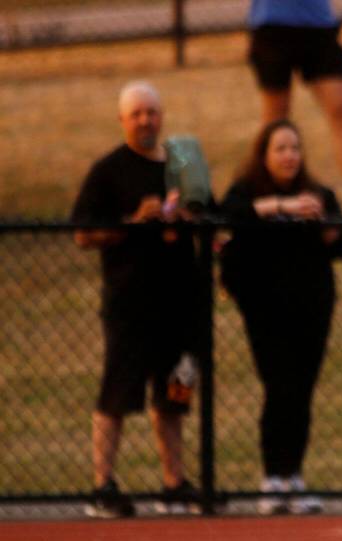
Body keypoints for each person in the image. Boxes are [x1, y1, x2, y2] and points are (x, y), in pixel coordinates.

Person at [71, 81, 202, 518]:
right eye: (137, 114)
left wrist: (190, 216)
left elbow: (212, 214)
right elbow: (82, 234)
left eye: (152, 112)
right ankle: (103, 485)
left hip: (180, 302)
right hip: (130, 303)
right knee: (117, 393)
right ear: (123, 120)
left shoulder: (183, 160)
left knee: (175, 395)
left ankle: (174, 484)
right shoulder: (109, 170)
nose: (146, 120)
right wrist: (132, 222)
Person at [220, 119, 342, 515]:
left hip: (311, 307)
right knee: (277, 386)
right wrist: (280, 207)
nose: (289, 155)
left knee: (301, 389)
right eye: (280, 148)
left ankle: (294, 475)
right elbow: (229, 216)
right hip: (264, 308)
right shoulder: (248, 192)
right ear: (264, 154)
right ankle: (272, 478)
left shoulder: (318, 194)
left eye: (294, 148)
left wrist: (325, 225)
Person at [247, 0, 342, 217]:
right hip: (273, 24)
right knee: (275, 121)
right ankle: (264, 195)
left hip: (318, 25)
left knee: (341, 112)